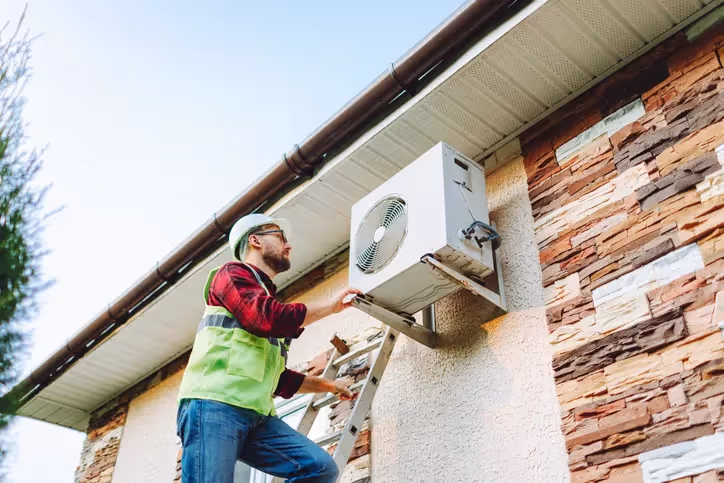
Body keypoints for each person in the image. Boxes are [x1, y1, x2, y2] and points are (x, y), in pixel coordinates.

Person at [176, 213, 361, 483]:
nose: (289, 246)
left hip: (257, 417)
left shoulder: (263, 297)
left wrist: (328, 386)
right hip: (215, 406)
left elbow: (278, 379)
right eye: (281, 237)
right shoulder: (232, 275)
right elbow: (265, 317)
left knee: (319, 468)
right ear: (255, 241)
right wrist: (330, 307)